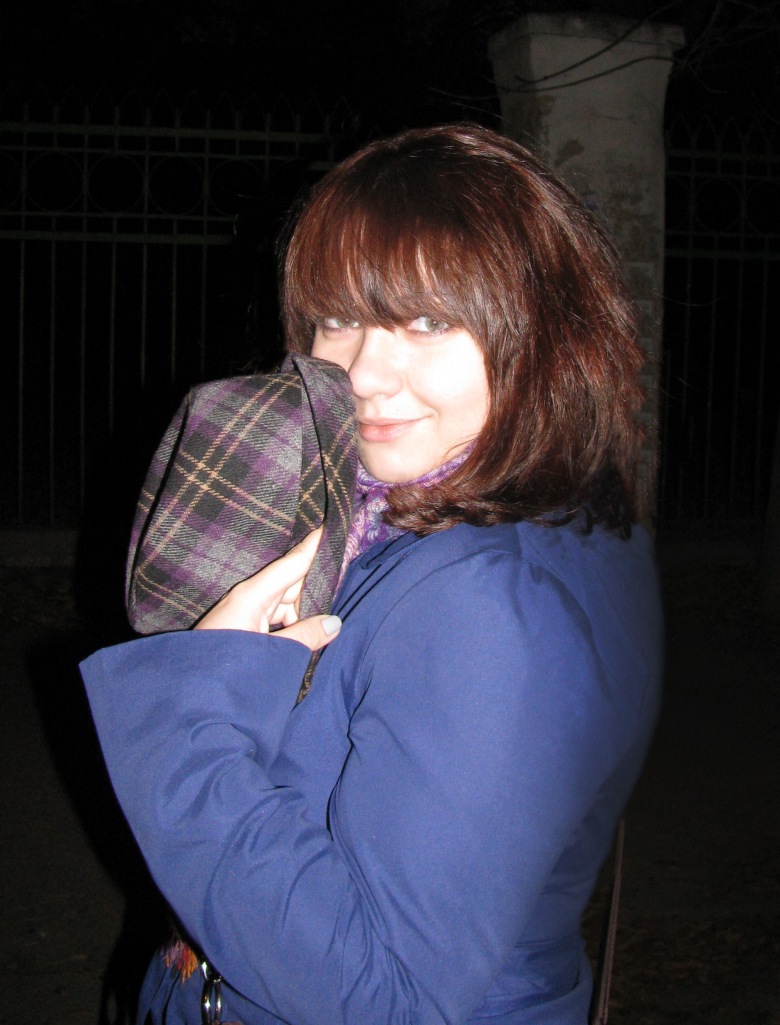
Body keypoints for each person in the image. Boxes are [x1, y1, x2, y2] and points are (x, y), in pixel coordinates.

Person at [82, 123, 663, 1025]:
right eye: (340, 317)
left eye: (428, 322)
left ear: (543, 335)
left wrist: (187, 718)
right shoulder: (425, 515)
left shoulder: (488, 601)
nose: (360, 373)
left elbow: (384, 998)